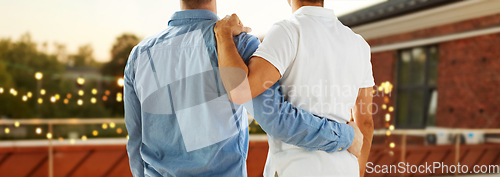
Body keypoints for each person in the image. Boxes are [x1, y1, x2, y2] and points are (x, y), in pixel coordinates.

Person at [123, 0, 363, 176]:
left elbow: (135, 140)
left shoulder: (139, 55)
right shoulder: (239, 45)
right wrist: (346, 136)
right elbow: (276, 118)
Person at [214, 0, 375, 176]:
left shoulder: (288, 31)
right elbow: (365, 122)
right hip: (345, 169)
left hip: (294, 168)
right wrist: (357, 171)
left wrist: (223, 35)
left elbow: (240, 91)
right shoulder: (360, 45)